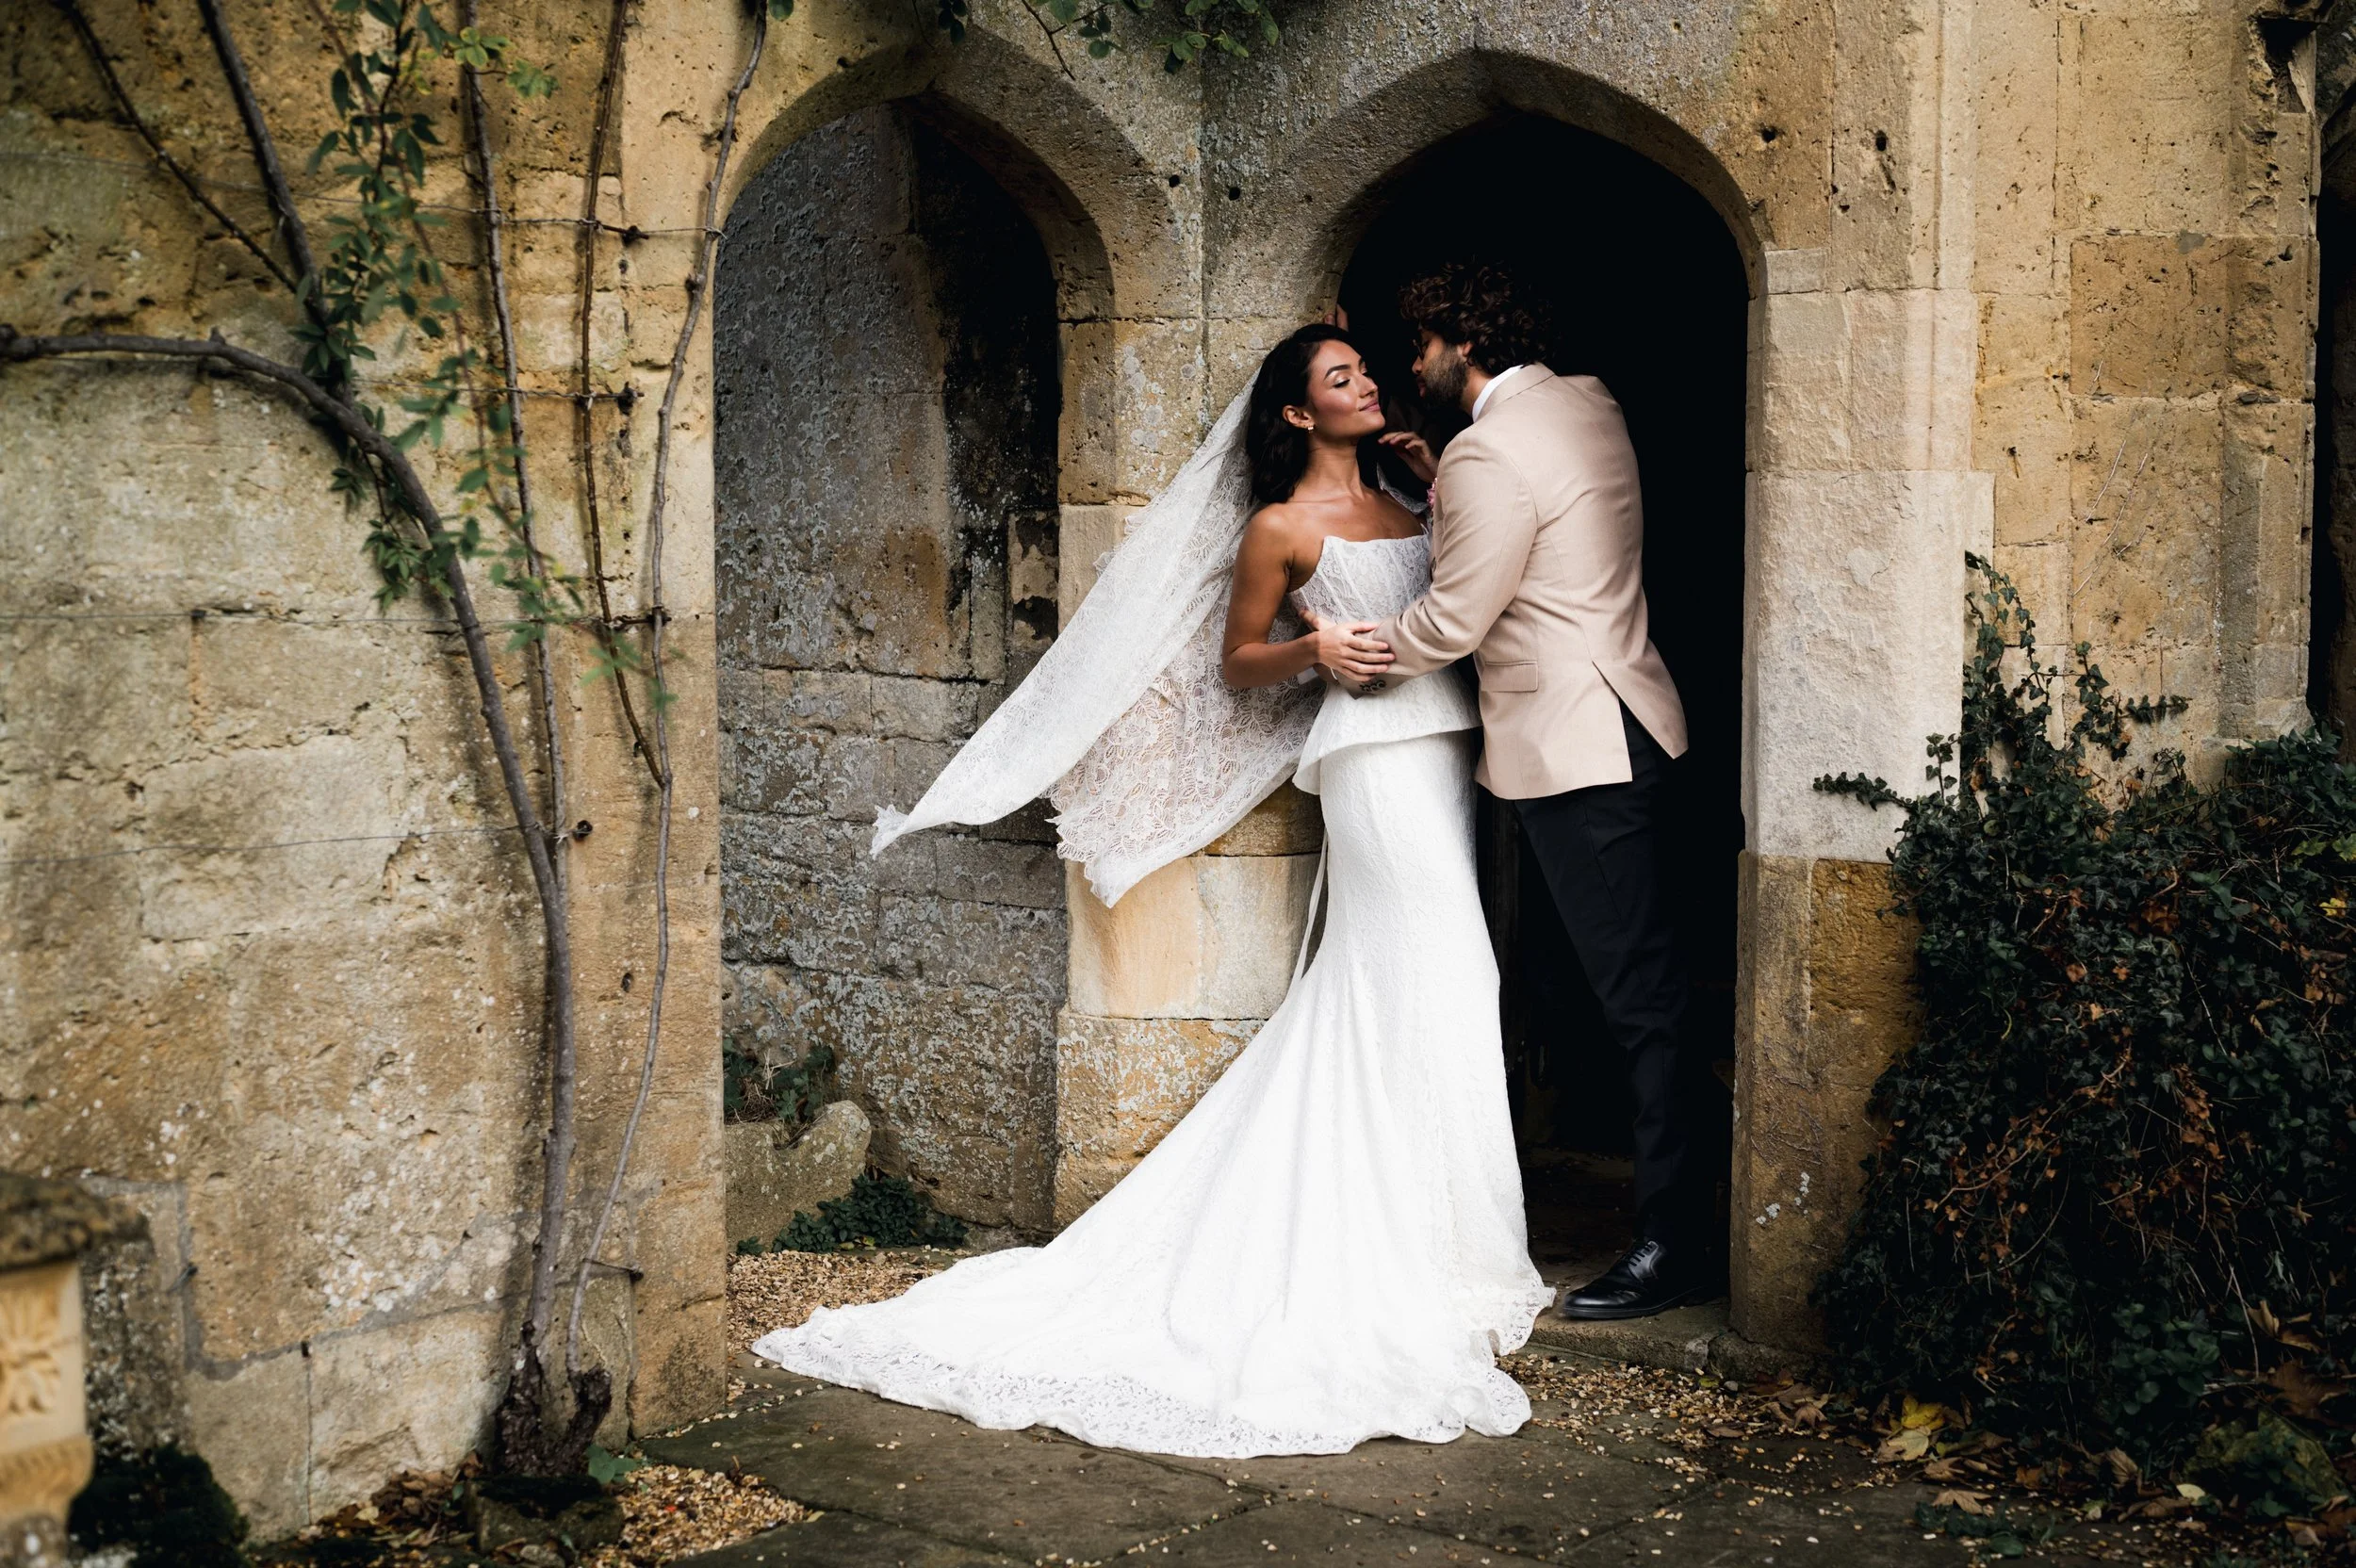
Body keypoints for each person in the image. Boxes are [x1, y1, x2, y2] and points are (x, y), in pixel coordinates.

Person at [748, 322, 1552, 1458]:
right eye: (1340, 378)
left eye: (1363, 370)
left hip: (1443, 753)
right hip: (1371, 766)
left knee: (1416, 986)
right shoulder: (1278, 527)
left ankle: (1436, 1236)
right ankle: (1429, 1249)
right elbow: (1237, 660)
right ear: (1292, 414)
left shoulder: (1416, 497)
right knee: (1444, 968)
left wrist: (1426, 481)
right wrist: (1313, 656)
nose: (1365, 382)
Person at [1355, 263, 1710, 1321]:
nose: (1410, 367)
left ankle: (1672, 1239)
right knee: (1644, 988)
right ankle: (1678, 1214)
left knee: (1639, 1004)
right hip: (1633, 718)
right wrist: (1441, 484)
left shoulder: (1485, 455)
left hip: (1572, 749)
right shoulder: (1584, 402)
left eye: (1417, 346)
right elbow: (1539, 530)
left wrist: (1354, 653)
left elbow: (1454, 619)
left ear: (1461, 344)